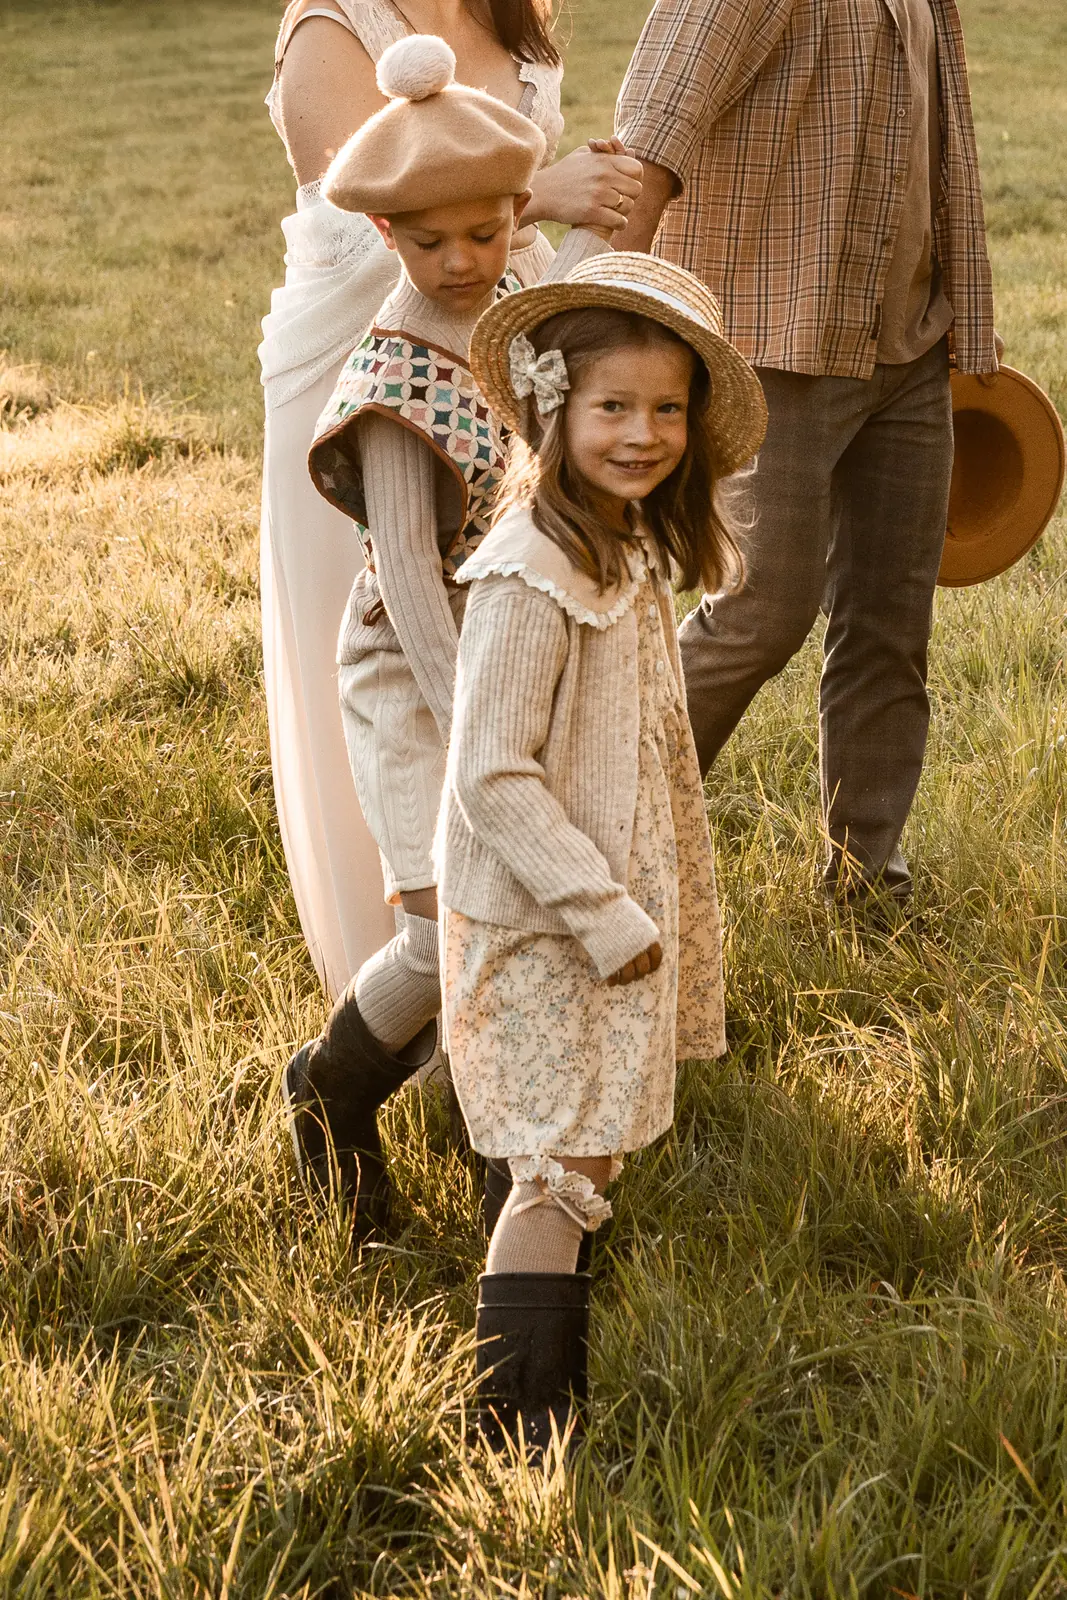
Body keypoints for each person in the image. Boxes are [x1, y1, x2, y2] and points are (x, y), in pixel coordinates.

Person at [282, 36, 626, 1241]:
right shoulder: (391, 380)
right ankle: (328, 1089)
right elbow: (414, 601)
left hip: (512, 653)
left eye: (488, 232)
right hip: (421, 674)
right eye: (433, 244)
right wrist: (484, 743)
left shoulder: (515, 303)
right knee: (447, 923)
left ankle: (512, 1172)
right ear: (387, 239)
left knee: (522, 915)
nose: (467, 261)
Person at [437, 250, 767, 1449]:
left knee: (588, 1134)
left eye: (666, 408)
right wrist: (605, 910)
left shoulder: (614, 540)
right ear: (552, 409)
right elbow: (489, 774)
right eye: (612, 407)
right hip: (551, 914)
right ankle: (519, 1430)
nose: (642, 433)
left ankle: (546, 1302)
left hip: (600, 900)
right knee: (563, 1164)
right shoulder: (532, 573)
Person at [613, 0, 999, 904]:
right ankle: (603, 842)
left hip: (905, 344)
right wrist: (613, 309)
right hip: (775, 342)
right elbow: (656, 122)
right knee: (759, 611)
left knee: (889, 625)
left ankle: (867, 878)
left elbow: (931, 151)